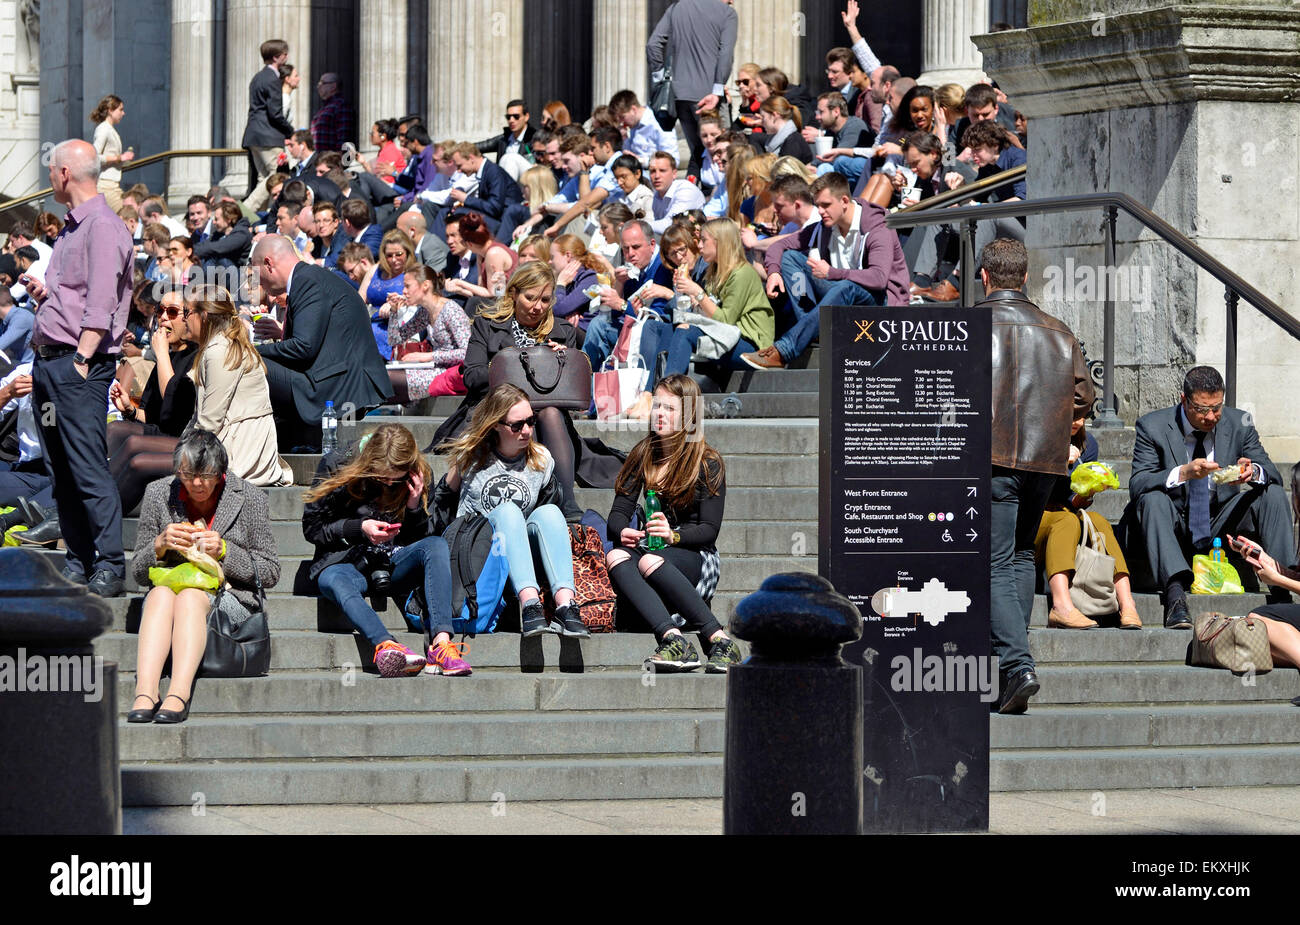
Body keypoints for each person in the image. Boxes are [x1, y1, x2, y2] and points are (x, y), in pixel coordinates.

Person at [982, 238, 1094, 714]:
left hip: (990, 459)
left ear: (984, 276)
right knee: (1022, 554)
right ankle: (1014, 661)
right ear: (1025, 277)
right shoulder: (1059, 331)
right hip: (1044, 461)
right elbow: (1085, 399)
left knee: (995, 560)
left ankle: (1016, 663)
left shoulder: (967, 326)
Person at [24, 139, 133, 596]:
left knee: (87, 466)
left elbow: (104, 303)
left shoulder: (102, 226)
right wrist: (49, 299)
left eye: (51, 168)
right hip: (52, 360)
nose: (49, 176)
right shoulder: (71, 228)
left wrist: (84, 359)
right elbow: (79, 295)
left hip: (77, 363)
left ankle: (109, 562)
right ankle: (79, 557)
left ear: (65, 172)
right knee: (62, 469)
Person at [128, 430, 281, 724]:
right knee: (159, 594)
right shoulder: (159, 493)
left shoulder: (250, 498)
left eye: (207, 475)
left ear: (221, 472)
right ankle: (145, 691)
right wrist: (159, 546)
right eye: (187, 474)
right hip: (168, 590)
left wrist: (224, 551)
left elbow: (270, 571)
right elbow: (137, 571)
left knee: (190, 597)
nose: (197, 483)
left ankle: (178, 693)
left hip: (229, 594)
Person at [1127, 365, 1293, 629]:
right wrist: (1183, 473)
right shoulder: (1152, 426)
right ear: (1185, 400)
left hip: (1221, 524)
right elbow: (1138, 483)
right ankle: (1175, 597)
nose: (1211, 416)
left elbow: (1273, 473)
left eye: (1217, 408)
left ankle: (1282, 589)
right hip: (1174, 524)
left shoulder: (1239, 423)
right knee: (1152, 498)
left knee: (1271, 492)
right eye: (1203, 409)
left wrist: (1253, 472)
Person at [303, 423, 468, 677]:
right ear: (369, 461)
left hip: (394, 562)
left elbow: (425, 537)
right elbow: (312, 528)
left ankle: (442, 644)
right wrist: (359, 528)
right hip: (347, 562)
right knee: (332, 579)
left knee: (436, 546)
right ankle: (386, 645)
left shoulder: (418, 473)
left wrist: (414, 507)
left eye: (396, 478)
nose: (390, 481)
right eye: (382, 476)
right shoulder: (338, 465)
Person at [606, 374, 740, 671]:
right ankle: (673, 639)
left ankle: (719, 639)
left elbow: (709, 530)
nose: (660, 414)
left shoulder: (707, 461)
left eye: (669, 408)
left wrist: (673, 536)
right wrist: (624, 530)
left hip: (698, 558)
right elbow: (616, 515)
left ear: (688, 414)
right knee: (616, 554)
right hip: (653, 553)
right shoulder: (643, 454)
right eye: (657, 406)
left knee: (649, 560)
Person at [428, 262, 584, 515]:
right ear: (513, 293)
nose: (537, 307)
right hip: (495, 406)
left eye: (545, 300)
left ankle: (567, 503)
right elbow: (472, 375)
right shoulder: (487, 324)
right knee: (521, 415)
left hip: (546, 412)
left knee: (549, 413)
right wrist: (509, 364)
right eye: (530, 298)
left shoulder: (562, 330)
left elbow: (574, 387)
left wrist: (562, 363)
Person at [434, 383, 585, 638]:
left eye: (531, 421)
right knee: (508, 511)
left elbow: (549, 517)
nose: (526, 431)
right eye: (517, 425)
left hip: (521, 555)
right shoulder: (470, 457)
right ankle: (529, 605)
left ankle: (565, 605)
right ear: (495, 424)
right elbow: (441, 506)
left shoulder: (542, 459)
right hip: (481, 555)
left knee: (549, 513)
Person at [741, 172, 909, 370]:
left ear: (844, 200)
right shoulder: (824, 226)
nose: (820, 211)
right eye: (818, 205)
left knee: (847, 286)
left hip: (881, 304)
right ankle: (812, 330)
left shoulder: (877, 227)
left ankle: (785, 349)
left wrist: (833, 273)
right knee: (789, 258)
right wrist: (774, 272)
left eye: (826, 205)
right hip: (839, 297)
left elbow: (879, 278)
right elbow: (779, 247)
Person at [252, 235, 391, 451]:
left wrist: (251, 350)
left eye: (256, 273)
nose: (257, 282)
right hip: (333, 377)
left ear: (268, 264)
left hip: (339, 388)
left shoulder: (307, 281)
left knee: (247, 361)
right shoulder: (309, 278)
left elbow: (303, 348)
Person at [634, 218, 773, 413]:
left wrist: (697, 292)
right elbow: (699, 314)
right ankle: (648, 395)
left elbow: (725, 320)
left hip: (752, 346)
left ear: (720, 242)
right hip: (725, 337)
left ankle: (668, 400)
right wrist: (684, 292)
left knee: (684, 332)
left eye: (704, 240)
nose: (698, 245)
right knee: (662, 328)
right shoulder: (714, 272)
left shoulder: (743, 274)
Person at [1035, 413, 1143, 629]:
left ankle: (1127, 604)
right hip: (1034, 519)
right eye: (1072, 415)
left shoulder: (1087, 444)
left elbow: (1072, 502)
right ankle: (1061, 607)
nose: (1079, 422)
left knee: (1099, 521)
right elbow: (1030, 494)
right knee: (1066, 520)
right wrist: (1059, 461)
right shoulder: (1037, 438)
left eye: (1083, 416)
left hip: (1065, 515)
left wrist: (1089, 491)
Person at [107, 290, 199, 515]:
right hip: (163, 432)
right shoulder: (165, 356)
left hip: (186, 437)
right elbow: (152, 414)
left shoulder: (195, 356)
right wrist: (130, 409)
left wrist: (161, 355)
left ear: (187, 317)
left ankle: (91, 506)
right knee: (113, 428)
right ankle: (77, 497)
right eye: (160, 311)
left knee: (133, 445)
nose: (163, 318)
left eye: (172, 312)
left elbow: (174, 403)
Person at [646, 0, 738, 178]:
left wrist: (659, 79)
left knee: (699, 152)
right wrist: (717, 91)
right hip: (709, 97)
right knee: (726, 155)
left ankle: (700, 197)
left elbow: (653, 45)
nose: (732, 1)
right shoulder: (727, 13)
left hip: (678, 96)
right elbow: (725, 54)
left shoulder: (677, 7)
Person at [386, 265, 471, 403]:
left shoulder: (451, 310)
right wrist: (394, 312)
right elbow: (395, 339)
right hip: (435, 368)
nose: (403, 291)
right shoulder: (424, 312)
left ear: (425, 285)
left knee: (389, 379)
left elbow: (468, 353)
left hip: (451, 374)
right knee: (384, 379)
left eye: (408, 286)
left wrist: (428, 356)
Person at [239, 39, 294, 211]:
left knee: (263, 179)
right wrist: (291, 132)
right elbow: (275, 113)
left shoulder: (258, 77)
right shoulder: (272, 79)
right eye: (285, 55)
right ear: (277, 57)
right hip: (268, 136)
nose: (287, 57)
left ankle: (258, 216)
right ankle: (245, 210)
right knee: (276, 175)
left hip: (254, 134)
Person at [356, 229, 417, 360]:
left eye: (399, 254)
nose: (394, 259)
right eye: (389, 255)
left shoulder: (414, 272)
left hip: (397, 326)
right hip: (371, 321)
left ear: (407, 252)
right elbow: (358, 301)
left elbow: (417, 302)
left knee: (373, 335)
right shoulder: (375, 270)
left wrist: (395, 306)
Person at [550, 234, 608, 332]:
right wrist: (570, 310)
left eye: (552, 257)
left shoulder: (592, 279)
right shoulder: (570, 279)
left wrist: (560, 285)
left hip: (589, 335)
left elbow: (557, 309)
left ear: (568, 255)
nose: (549, 261)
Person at [610, 89, 679, 167]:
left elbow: (672, 160)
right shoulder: (634, 126)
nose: (621, 122)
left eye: (622, 117)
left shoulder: (658, 122)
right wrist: (624, 138)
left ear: (633, 109)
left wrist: (640, 161)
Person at [89, 95, 134, 211]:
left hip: (112, 184)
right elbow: (94, 157)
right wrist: (119, 157)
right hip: (106, 185)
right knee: (126, 215)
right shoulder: (103, 129)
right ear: (110, 110)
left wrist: (123, 161)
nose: (123, 113)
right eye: (120, 109)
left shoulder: (109, 129)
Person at [647, 150, 706, 234]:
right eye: (652, 171)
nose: (657, 176)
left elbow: (673, 226)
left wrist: (640, 225)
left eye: (662, 170)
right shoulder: (657, 195)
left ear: (674, 173)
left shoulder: (686, 190)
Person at [759, 97, 813, 162]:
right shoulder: (780, 138)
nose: (761, 122)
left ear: (774, 115)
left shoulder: (792, 141)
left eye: (763, 117)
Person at [311, 72, 354, 153]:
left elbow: (344, 137)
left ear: (333, 86)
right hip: (320, 159)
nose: (318, 86)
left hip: (331, 160)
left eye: (323, 83)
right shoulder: (324, 108)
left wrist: (337, 159)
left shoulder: (341, 105)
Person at [368, 119, 407, 184]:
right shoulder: (385, 149)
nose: (370, 136)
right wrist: (363, 163)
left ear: (383, 136)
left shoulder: (390, 152)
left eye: (372, 133)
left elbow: (384, 181)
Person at [280, 62, 301, 126]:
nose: (299, 79)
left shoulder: (284, 97)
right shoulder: (285, 99)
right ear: (287, 79)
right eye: (296, 76)